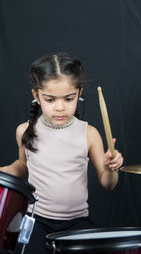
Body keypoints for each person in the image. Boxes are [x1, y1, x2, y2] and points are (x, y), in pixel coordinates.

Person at [1, 53, 123, 254]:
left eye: (69, 99)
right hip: (36, 219)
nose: (60, 108)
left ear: (79, 93)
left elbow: (108, 184)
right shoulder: (24, 131)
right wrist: (3, 171)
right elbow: (23, 166)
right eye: (50, 99)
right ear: (36, 96)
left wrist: (112, 168)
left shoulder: (89, 133)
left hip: (77, 222)